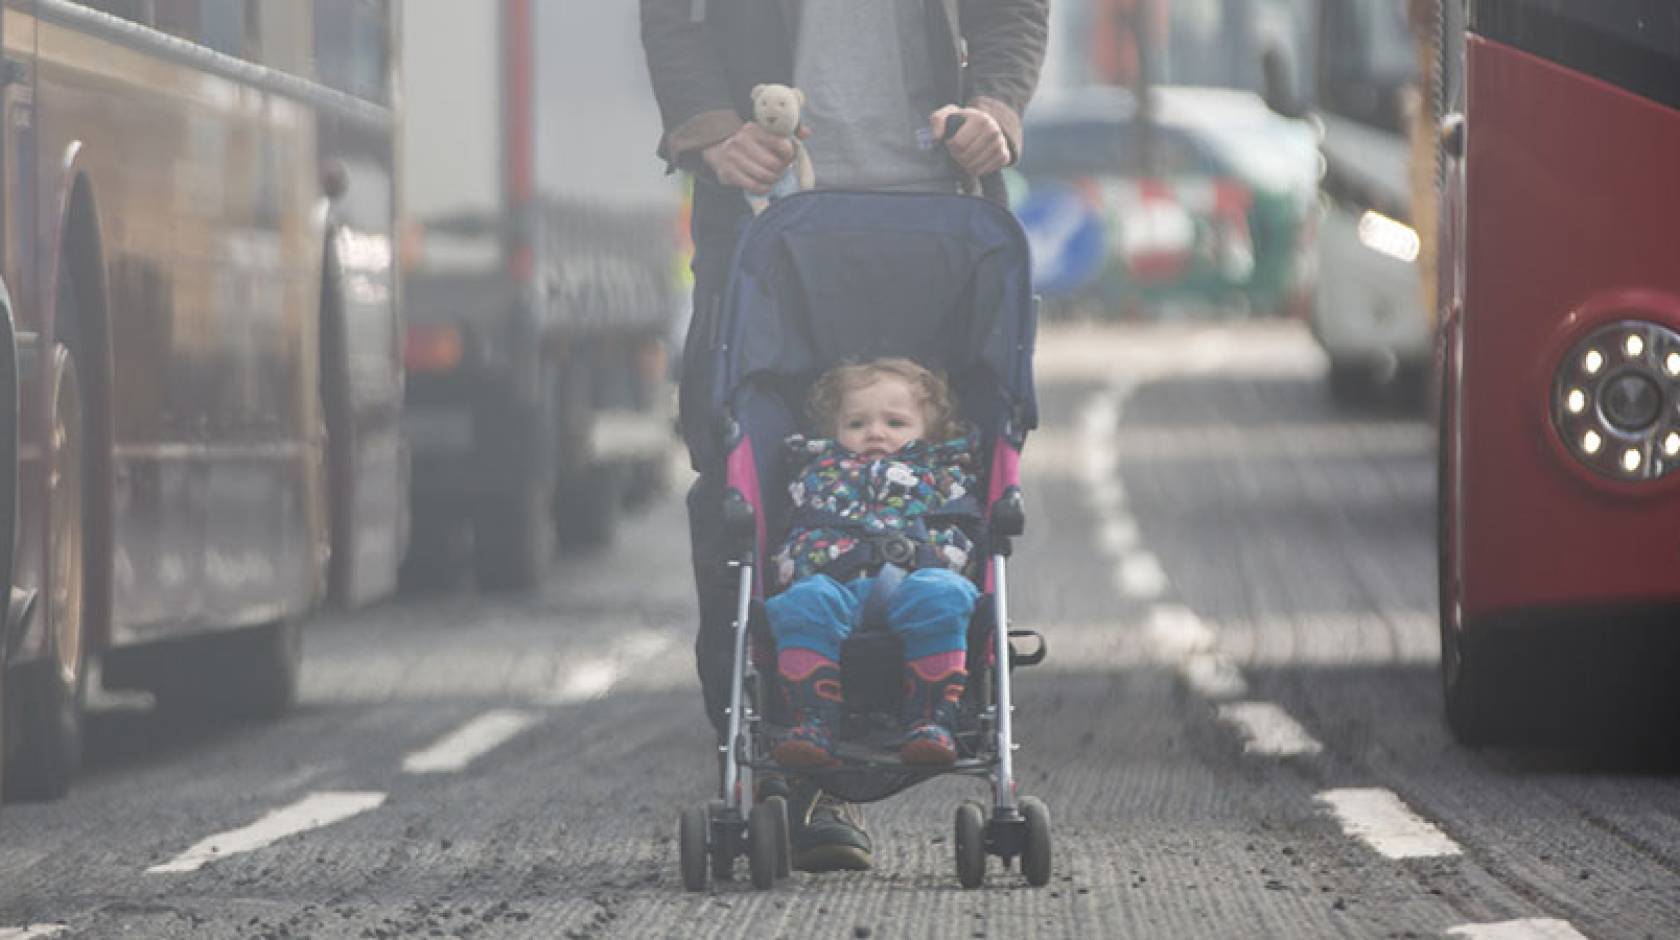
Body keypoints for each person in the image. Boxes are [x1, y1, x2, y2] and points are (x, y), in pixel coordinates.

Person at [641, 0, 1049, 873]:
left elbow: (1012, 11)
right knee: (743, 489)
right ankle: (791, 777)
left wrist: (996, 109)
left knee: (944, 471)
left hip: (943, 218)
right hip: (767, 215)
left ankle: (924, 707)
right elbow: (673, 16)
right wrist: (710, 131)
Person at [768, 359, 980, 769]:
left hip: (916, 580)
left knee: (945, 594)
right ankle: (812, 721)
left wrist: (943, 559)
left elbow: (963, 532)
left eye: (895, 423)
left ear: (930, 431)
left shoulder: (943, 474)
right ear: (833, 430)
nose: (875, 433)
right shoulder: (814, 474)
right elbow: (792, 532)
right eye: (856, 423)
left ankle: (931, 719)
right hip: (835, 582)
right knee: (802, 601)